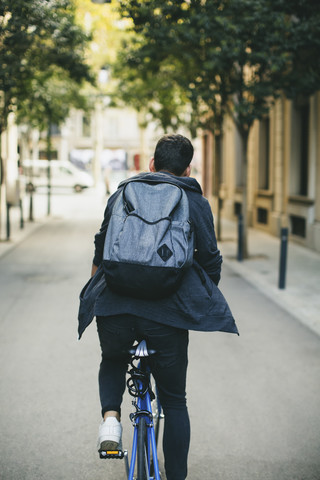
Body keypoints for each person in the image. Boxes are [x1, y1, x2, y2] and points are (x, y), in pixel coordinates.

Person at [78, 134, 238, 480]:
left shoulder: (122, 192)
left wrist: (98, 291)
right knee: (175, 400)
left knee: (113, 358)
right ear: (187, 168)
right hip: (167, 315)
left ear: (151, 164)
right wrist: (200, 295)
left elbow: (101, 247)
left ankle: (110, 422)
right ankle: (176, 476)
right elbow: (210, 260)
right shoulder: (194, 200)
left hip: (116, 307)